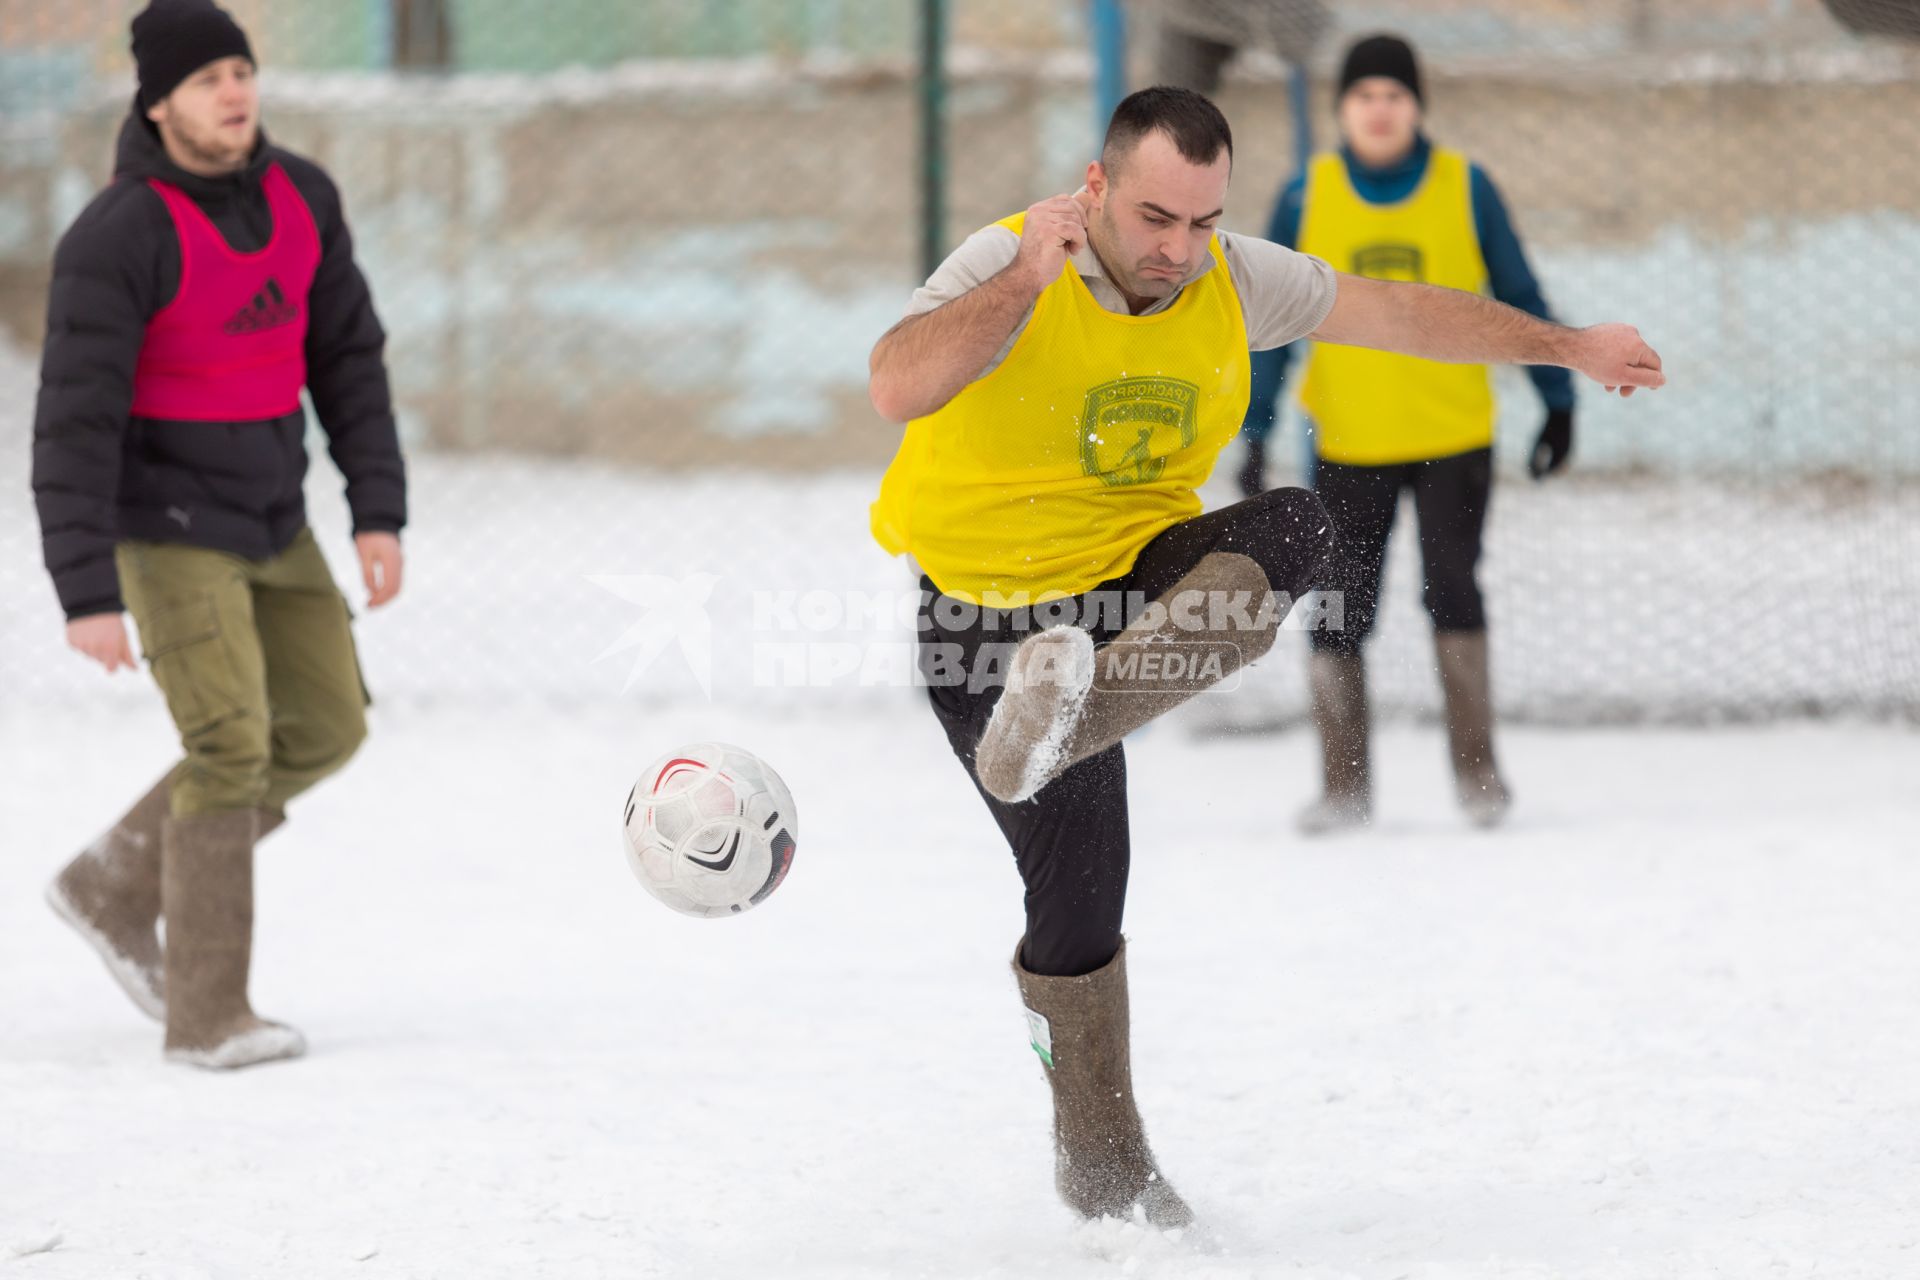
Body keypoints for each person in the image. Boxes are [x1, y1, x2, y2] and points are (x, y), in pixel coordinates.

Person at [867, 86, 1660, 1228]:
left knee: (1296, 527)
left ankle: (1065, 733)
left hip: (1115, 609)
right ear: (1093, 189)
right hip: (983, 621)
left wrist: (1567, 348)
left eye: (1202, 221)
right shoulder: (1011, 257)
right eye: (1153, 218)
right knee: (1079, 908)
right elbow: (897, 382)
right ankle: (1105, 1162)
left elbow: (1398, 312)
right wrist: (1023, 282)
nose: (1178, 250)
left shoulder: (1231, 276)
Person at [34, 0, 407, 1071]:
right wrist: (86, 589)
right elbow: (73, 421)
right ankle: (207, 1012)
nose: (234, 91)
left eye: (241, 69)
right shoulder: (118, 235)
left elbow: (349, 360)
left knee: (327, 725)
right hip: (165, 525)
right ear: (157, 103)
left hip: (272, 514)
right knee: (230, 744)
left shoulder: (304, 197)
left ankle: (112, 880)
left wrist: (376, 507)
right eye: (206, 79)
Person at [1238, 34, 1576, 834]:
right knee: (1339, 609)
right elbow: (1271, 326)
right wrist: (1255, 429)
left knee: (1454, 591)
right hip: (1349, 442)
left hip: (1453, 436)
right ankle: (1343, 787)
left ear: (1417, 105)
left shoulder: (1467, 187)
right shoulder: (1305, 195)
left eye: (1394, 94)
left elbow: (1518, 291)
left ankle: (1479, 776)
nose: (1380, 109)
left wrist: (1558, 397)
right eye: (1364, 96)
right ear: (1342, 109)